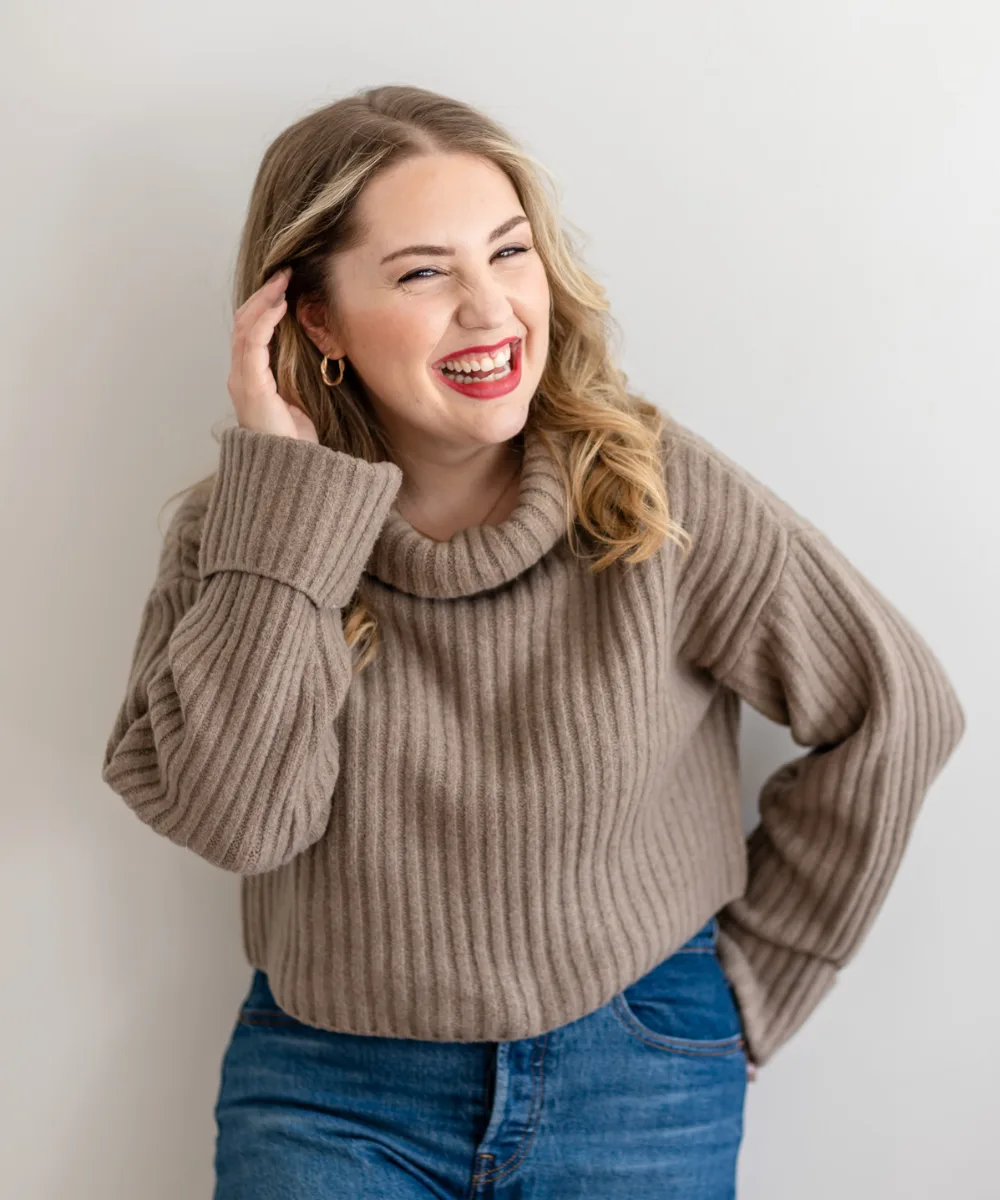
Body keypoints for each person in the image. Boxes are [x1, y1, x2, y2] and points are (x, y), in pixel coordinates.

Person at [101, 85, 966, 1199]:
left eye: (509, 253)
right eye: (424, 272)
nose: (492, 309)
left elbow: (895, 707)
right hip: (328, 1083)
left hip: (638, 1067)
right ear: (315, 319)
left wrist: (763, 977)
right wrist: (288, 507)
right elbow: (236, 818)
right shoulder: (241, 536)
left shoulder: (653, 491)